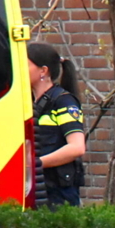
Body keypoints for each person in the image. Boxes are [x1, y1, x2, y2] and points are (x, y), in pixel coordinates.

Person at [28, 42, 86, 207]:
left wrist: (35, 164)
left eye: (25, 65)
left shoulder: (63, 102)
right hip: (40, 187)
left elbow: (77, 147)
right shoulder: (31, 103)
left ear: (43, 71)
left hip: (59, 192)